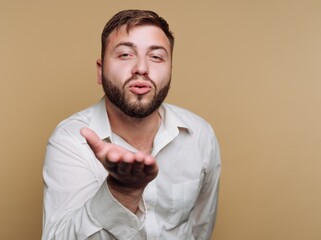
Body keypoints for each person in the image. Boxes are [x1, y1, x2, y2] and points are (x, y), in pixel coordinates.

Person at [42, 9, 221, 240]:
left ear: (170, 71)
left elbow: (200, 228)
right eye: (126, 54)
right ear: (100, 71)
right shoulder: (69, 140)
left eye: (156, 57)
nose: (142, 68)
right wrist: (121, 192)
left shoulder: (201, 136)